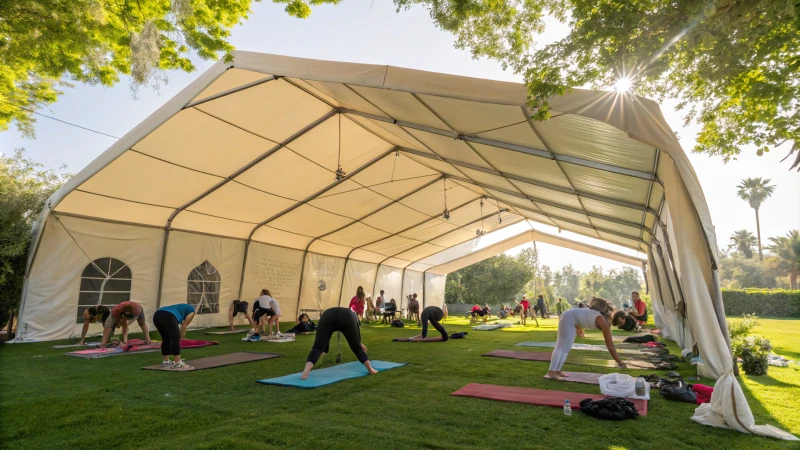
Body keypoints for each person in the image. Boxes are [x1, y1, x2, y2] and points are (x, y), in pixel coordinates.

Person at [547, 297, 626, 380]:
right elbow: (610, 345)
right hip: (567, 317)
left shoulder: (600, 318)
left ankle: (558, 370)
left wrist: (579, 329)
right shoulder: (602, 321)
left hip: (572, 320)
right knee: (560, 346)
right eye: (619, 323)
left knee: (566, 348)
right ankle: (552, 372)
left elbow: (582, 317)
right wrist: (619, 362)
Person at [300, 307, 377, 380]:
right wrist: (359, 343)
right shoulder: (353, 315)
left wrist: (324, 349)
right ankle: (370, 369)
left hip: (327, 315)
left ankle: (305, 373)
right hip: (346, 317)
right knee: (356, 348)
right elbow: (356, 332)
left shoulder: (344, 313)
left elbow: (323, 337)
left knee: (317, 347)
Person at [153, 303, 196, 369]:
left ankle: (166, 361)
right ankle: (177, 362)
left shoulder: (180, 307)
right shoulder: (192, 311)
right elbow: (184, 325)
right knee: (175, 337)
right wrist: (182, 337)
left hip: (157, 315)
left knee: (166, 338)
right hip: (168, 316)